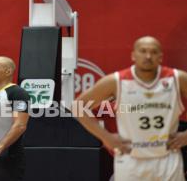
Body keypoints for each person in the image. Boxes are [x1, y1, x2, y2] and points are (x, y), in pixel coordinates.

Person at [73, 36, 187, 181]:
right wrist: (106, 138)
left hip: (167, 158)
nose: (148, 56)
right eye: (143, 51)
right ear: (133, 55)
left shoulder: (177, 79)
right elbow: (78, 106)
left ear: (160, 56)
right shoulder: (116, 82)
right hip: (130, 159)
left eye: (153, 52)